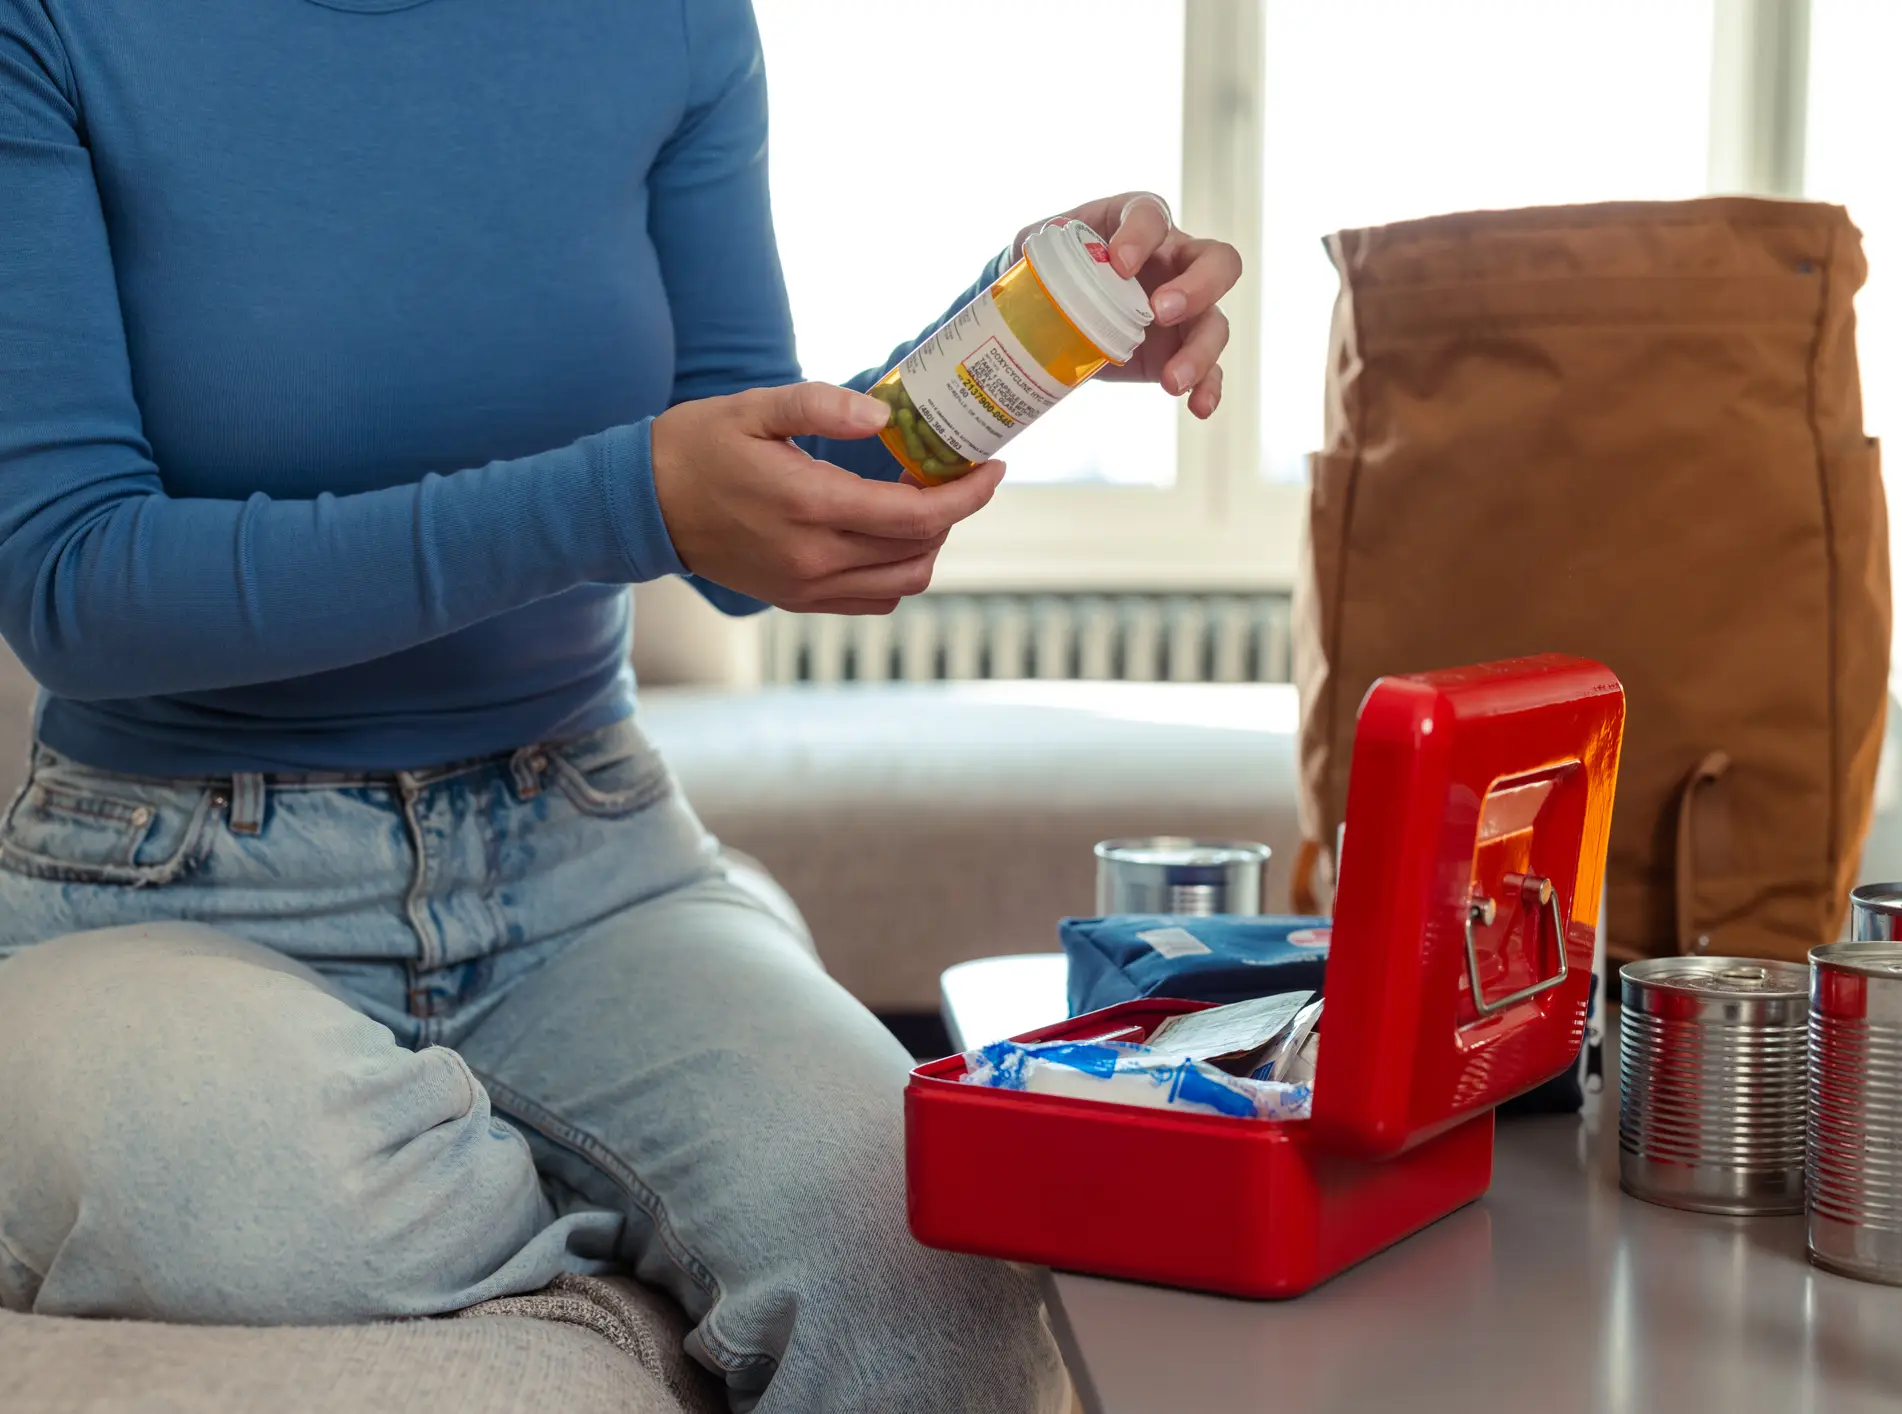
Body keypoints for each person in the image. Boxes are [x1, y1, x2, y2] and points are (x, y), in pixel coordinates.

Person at [0, 1, 1240, 1410]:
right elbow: (72, 581)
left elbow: (745, 518)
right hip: (164, 885)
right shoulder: (51, 24)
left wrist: (1017, 338)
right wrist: (624, 496)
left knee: (924, 1246)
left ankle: (591, 1134)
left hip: (585, 856)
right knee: (288, 1204)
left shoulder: (671, 20)